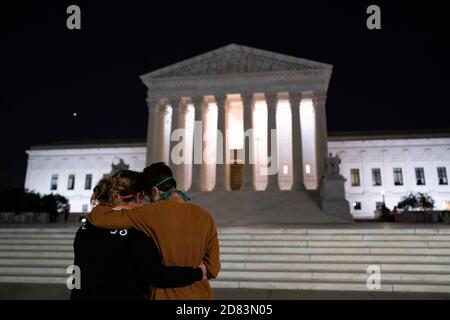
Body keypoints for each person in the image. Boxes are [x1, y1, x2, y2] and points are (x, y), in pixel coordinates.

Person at [87, 162, 220, 300]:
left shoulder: (148, 213)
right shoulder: (205, 216)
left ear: (156, 192)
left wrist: (104, 197)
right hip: (201, 295)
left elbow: (98, 218)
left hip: (164, 295)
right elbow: (213, 268)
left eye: (148, 197)